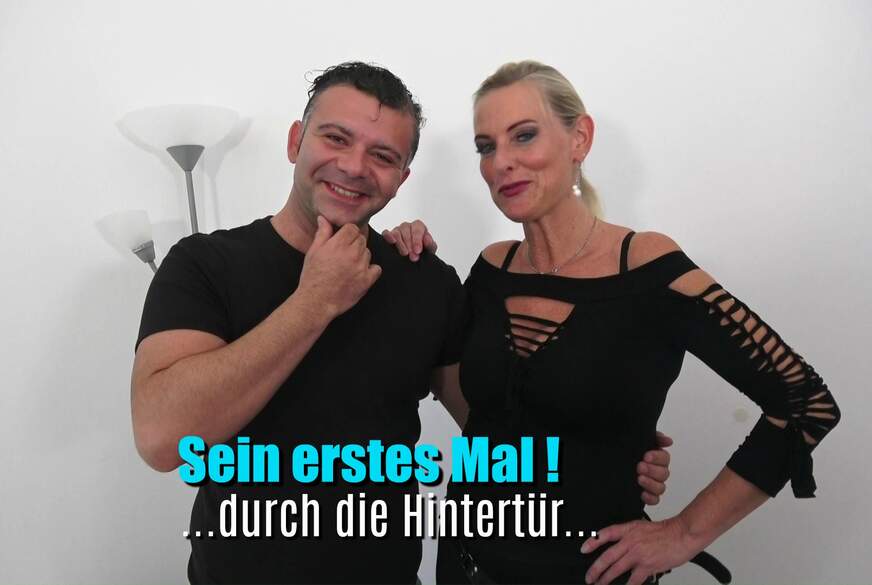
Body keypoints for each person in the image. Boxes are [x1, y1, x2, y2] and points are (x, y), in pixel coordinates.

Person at [130, 61, 672, 584]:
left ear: (400, 178)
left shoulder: (423, 280)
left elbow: (497, 429)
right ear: (296, 141)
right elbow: (162, 438)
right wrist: (314, 302)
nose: (354, 166)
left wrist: (612, 449)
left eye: (382, 155)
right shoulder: (205, 264)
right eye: (336, 138)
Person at [384, 61, 841, 585]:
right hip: (465, 565)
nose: (501, 162)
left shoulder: (649, 269)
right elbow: (483, 409)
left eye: (524, 135)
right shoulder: (492, 269)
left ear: (580, 138)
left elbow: (806, 403)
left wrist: (684, 532)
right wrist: (406, 258)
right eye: (486, 147)